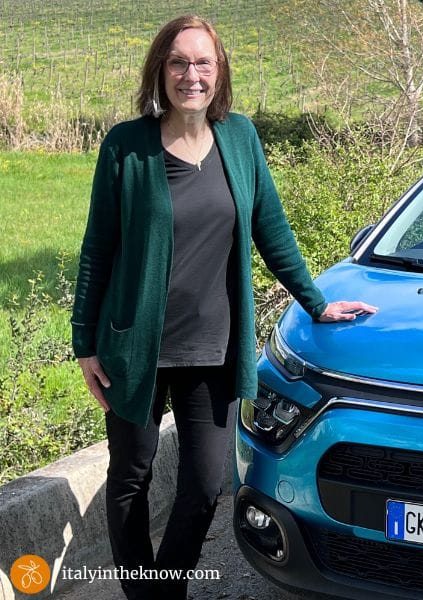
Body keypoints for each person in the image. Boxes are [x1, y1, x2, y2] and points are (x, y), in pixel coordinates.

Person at [70, 15, 377, 600]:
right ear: (160, 70)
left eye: (203, 63)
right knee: (131, 478)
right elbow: (97, 250)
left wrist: (316, 303)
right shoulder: (126, 146)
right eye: (179, 62)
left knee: (206, 485)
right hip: (135, 347)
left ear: (219, 72)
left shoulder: (239, 137)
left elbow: (272, 229)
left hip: (211, 347)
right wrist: (84, 344)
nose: (192, 74)